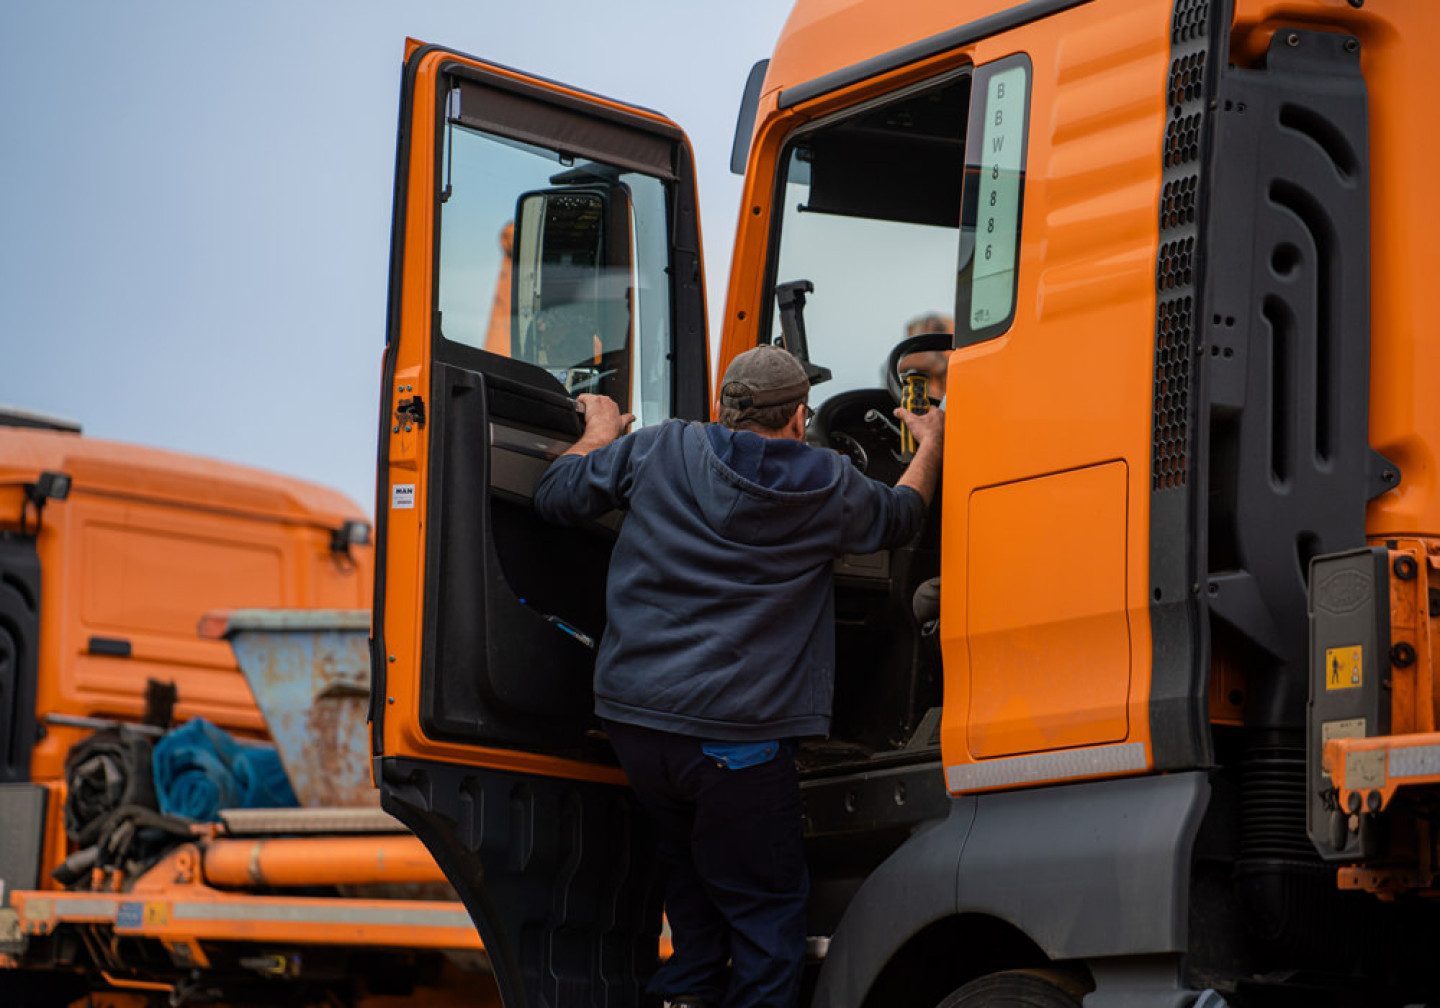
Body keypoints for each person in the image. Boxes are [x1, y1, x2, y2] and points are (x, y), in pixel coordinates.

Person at [533, 345, 944, 1008]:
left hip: (637, 725)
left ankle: (685, 994)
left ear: (724, 407)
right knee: (766, 914)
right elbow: (902, 514)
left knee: (689, 884)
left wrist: (599, 433)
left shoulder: (661, 448)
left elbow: (555, 496)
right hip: (737, 743)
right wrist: (931, 442)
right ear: (800, 416)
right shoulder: (826, 480)